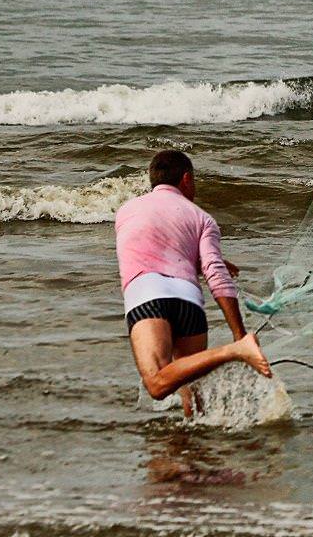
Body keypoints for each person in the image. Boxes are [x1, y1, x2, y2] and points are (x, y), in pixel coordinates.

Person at [115, 150, 271, 414]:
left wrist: (239, 344)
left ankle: (233, 351)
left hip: (147, 294)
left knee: (157, 383)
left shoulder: (126, 210)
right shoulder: (201, 217)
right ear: (186, 179)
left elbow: (148, 245)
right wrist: (238, 331)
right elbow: (214, 273)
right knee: (192, 395)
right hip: (189, 301)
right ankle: (192, 449)